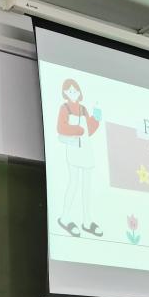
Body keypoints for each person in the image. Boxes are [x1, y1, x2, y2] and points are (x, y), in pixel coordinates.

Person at [56, 78, 102, 237]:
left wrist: (96, 119)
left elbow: (89, 130)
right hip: (74, 149)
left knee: (87, 186)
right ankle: (65, 217)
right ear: (65, 92)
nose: (73, 93)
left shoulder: (83, 109)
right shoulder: (64, 108)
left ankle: (87, 221)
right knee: (73, 183)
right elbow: (61, 128)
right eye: (70, 91)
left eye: (75, 90)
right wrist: (78, 130)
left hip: (87, 150)